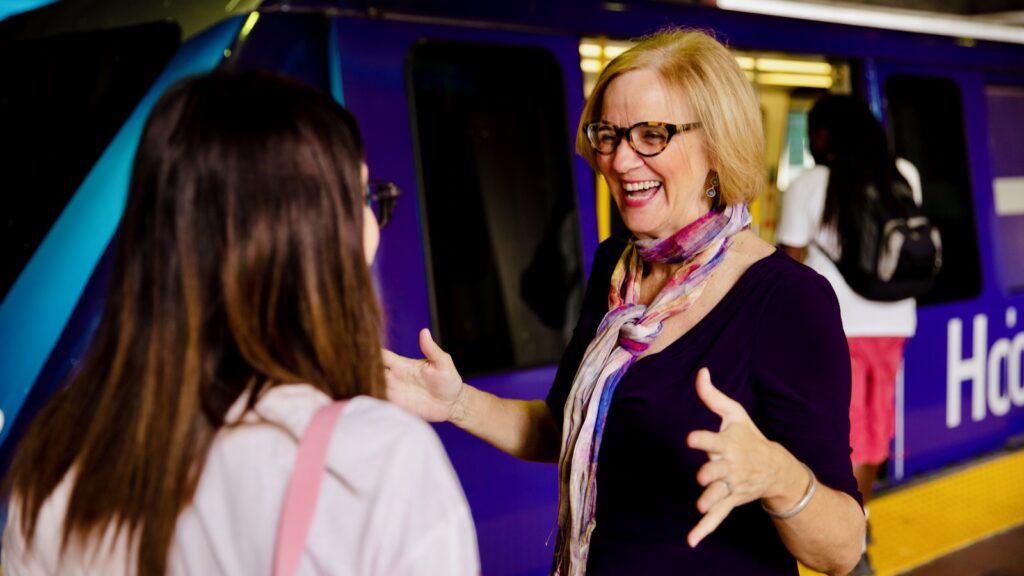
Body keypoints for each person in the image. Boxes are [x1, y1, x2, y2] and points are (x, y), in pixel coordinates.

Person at [385, 28, 863, 576]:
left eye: (652, 135)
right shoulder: (619, 268)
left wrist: (778, 475)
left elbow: (843, 549)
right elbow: (563, 428)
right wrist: (457, 404)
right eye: (609, 134)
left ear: (717, 145)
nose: (620, 159)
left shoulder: (788, 300)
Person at [2, 71, 479, 575]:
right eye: (361, 199)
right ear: (308, 241)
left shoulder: (53, 463)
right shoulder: (377, 465)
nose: (372, 226)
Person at [777, 94, 921, 575]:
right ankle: (863, 514)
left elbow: (787, 266)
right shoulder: (903, 172)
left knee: (846, 434)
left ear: (822, 135)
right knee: (876, 431)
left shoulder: (810, 184)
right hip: (895, 321)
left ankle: (849, 533)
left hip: (837, 328)